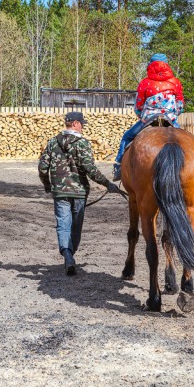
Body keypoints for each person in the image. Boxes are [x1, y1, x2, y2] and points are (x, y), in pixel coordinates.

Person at [38, 111, 121, 276]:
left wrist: (48, 185)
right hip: (79, 192)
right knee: (75, 228)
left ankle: (68, 255)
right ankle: (69, 256)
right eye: (82, 123)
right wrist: (107, 184)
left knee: (63, 225)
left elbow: (42, 168)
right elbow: (90, 169)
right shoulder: (82, 143)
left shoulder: (53, 142)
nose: (83, 127)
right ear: (75, 123)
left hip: (60, 192)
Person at [113, 53, 185, 181]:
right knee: (185, 140)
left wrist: (142, 116)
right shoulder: (175, 82)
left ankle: (118, 167)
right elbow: (180, 105)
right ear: (167, 65)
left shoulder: (145, 83)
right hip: (170, 119)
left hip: (149, 119)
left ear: (150, 65)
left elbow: (138, 106)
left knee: (127, 136)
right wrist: (173, 115)